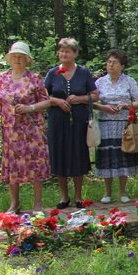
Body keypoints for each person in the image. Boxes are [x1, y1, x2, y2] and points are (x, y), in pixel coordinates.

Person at [0, 42, 50, 213]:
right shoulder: (2, 78)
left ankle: (37, 204)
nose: (17, 59)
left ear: (27, 60)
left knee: (35, 164)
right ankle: (15, 204)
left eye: (21, 56)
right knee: (13, 166)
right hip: (10, 130)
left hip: (32, 129)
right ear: (9, 58)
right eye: (14, 56)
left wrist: (30, 108)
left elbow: (47, 101)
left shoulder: (34, 78)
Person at [45, 37, 98, 209]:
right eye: (61, 51)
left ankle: (78, 196)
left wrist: (80, 98)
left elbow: (95, 95)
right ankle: (63, 196)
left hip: (78, 121)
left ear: (75, 53)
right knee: (60, 154)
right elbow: (42, 96)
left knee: (77, 155)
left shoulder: (83, 72)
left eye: (67, 51)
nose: (63, 54)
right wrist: (57, 101)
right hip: (57, 120)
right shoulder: (52, 73)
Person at [93, 50, 138, 204]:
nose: (111, 65)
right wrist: (104, 108)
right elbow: (92, 102)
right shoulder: (99, 82)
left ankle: (123, 191)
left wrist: (126, 105)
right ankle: (107, 192)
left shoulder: (129, 81)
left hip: (124, 125)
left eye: (114, 62)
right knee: (107, 157)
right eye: (109, 62)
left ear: (122, 65)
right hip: (105, 125)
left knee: (124, 155)